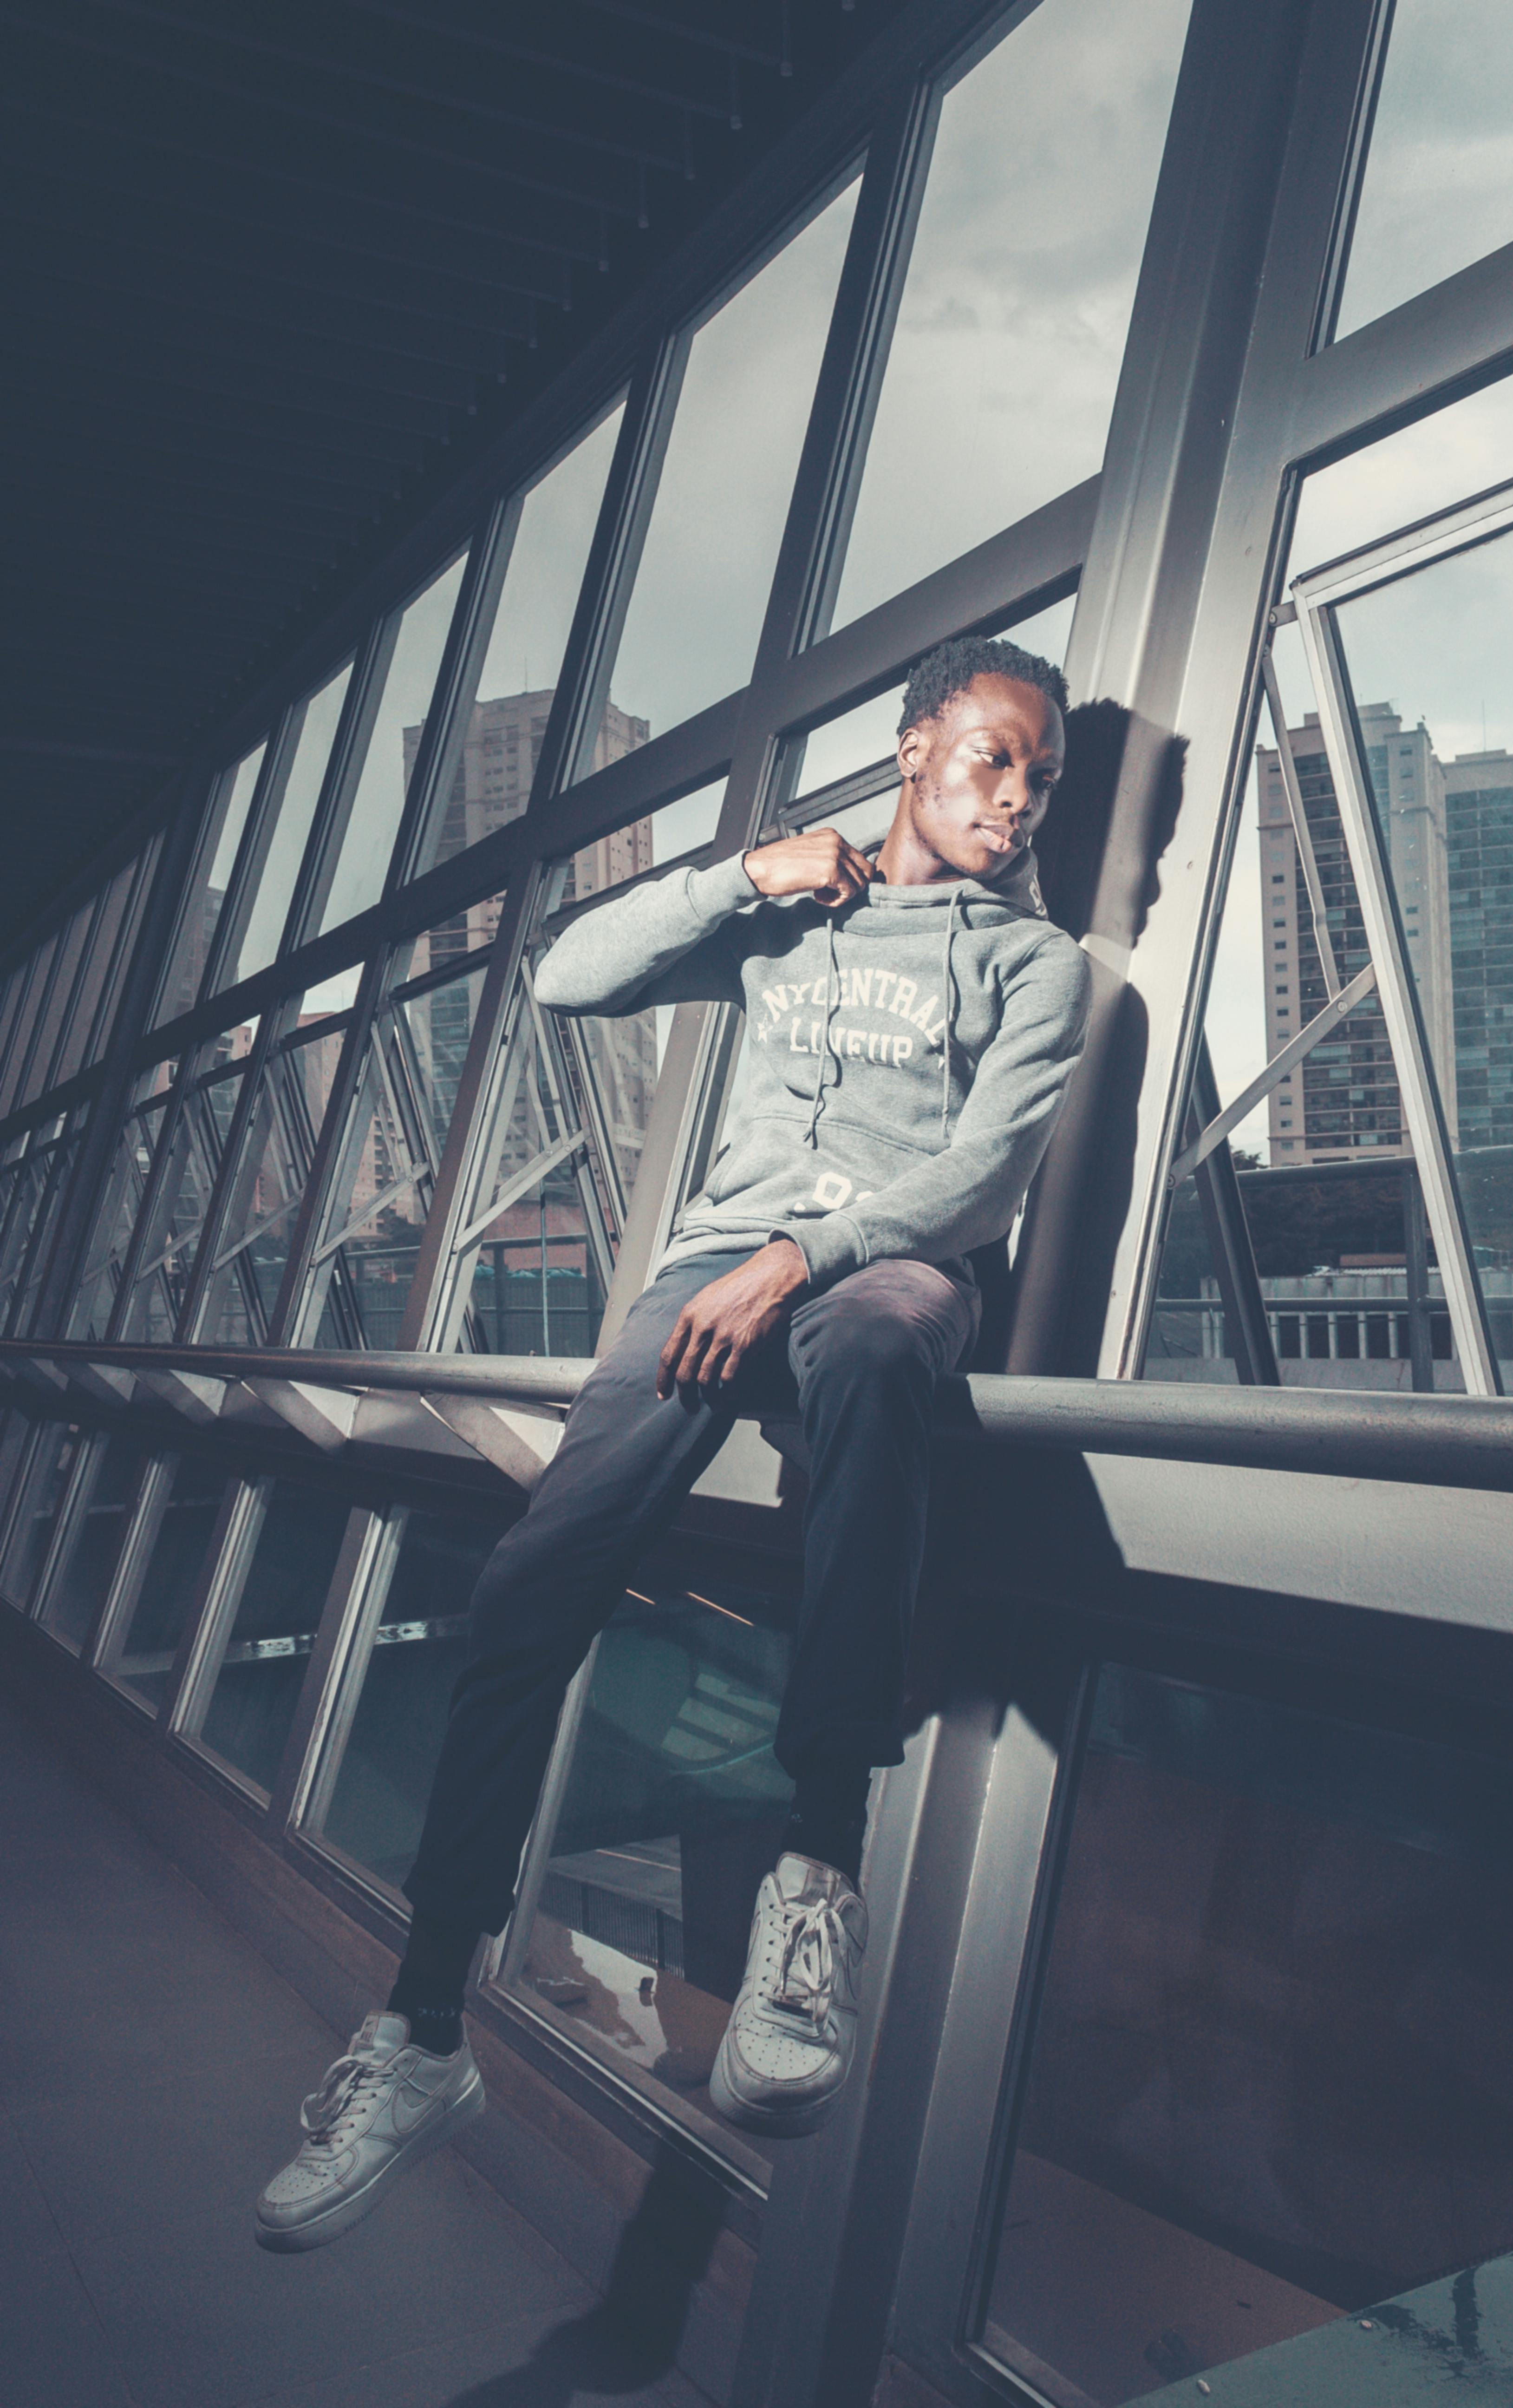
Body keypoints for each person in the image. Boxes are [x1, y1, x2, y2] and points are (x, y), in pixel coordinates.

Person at [255, 635, 1089, 2253]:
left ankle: (816, 1879)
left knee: (873, 1342)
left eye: (1041, 778)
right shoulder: (795, 918)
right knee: (520, 1602)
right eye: (995, 758)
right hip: (713, 1275)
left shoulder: (1031, 961)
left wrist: (807, 1260)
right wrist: (743, 874)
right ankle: (424, 2035)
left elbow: (985, 1181)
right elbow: (567, 974)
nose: (1017, 799)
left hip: (877, 1275)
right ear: (917, 745)